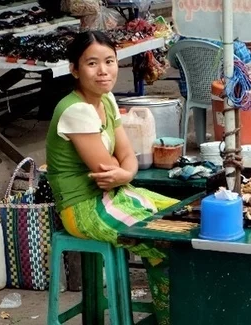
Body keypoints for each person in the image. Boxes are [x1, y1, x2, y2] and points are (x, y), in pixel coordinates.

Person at [45, 31, 178, 325]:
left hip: (116, 193)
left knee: (181, 215)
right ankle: (171, 317)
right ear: (74, 69)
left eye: (109, 61)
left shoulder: (106, 101)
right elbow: (107, 168)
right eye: (92, 63)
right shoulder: (75, 110)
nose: (103, 71)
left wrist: (126, 171)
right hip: (83, 207)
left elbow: (127, 160)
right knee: (165, 239)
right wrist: (122, 170)